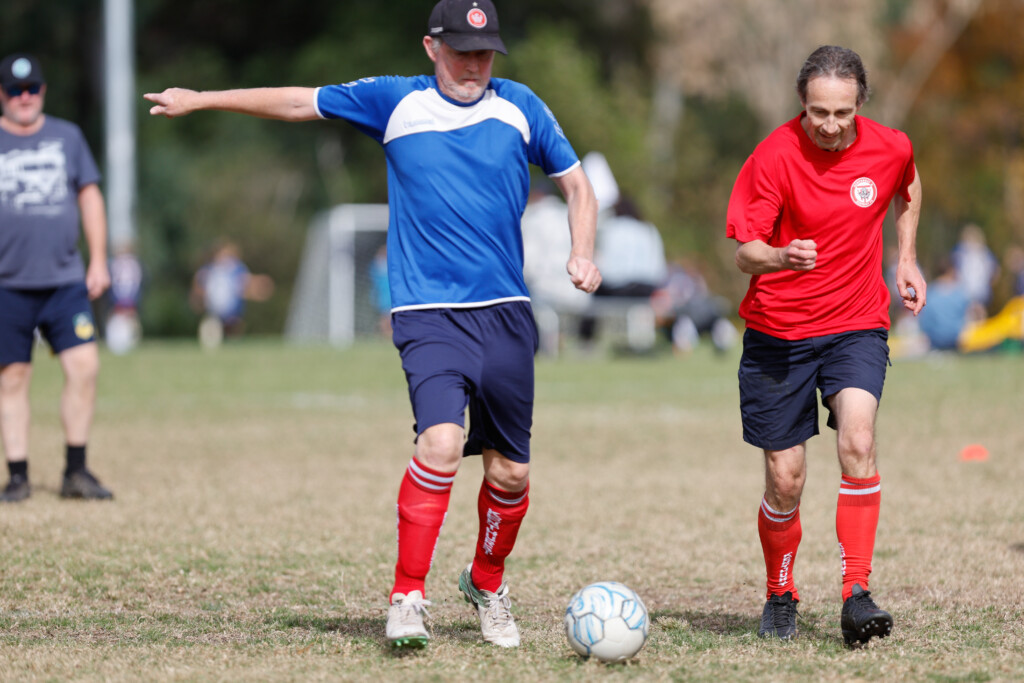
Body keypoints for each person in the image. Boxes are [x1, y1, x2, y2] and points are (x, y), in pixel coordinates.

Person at [145, 0, 601, 650]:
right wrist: (205, 99)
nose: (474, 64)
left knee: (510, 474)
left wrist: (583, 251)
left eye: (484, 53)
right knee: (440, 444)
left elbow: (578, 185)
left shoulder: (519, 106)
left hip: (505, 312)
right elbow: (299, 102)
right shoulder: (395, 101)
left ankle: (486, 582)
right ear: (431, 47)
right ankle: (407, 596)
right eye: (461, 52)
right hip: (426, 312)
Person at [725, 46, 925, 645]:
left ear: (860, 103)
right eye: (818, 113)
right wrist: (781, 256)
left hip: (856, 323)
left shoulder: (891, 146)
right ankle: (780, 592)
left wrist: (906, 258)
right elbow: (745, 253)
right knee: (785, 480)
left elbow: (908, 185)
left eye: (842, 112)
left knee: (858, 440)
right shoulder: (773, 156)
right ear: (801, 103)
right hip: (778, 332)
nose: (831, 126)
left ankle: (856, 594)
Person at [0, 53, 114, 502]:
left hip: (65, 279)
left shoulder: (68, 137)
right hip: (7, 283)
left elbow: (90, 198)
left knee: (85, 367)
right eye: (15, 91)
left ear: (43, 91)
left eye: (32, 89)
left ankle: (76, 471)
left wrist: (98, 260)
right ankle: (18, 476)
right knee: (12, 377)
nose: (24, 98)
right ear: (2, 95)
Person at [190, 239, 274, 348]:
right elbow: (199, 283)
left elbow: (246, 283)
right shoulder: (209, 269)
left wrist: (257, 289)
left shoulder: (237, 269)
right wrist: (197, 298)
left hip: (232, 306)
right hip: (214, 305)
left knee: (234, 328)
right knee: (212, 328)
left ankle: (233, 346)